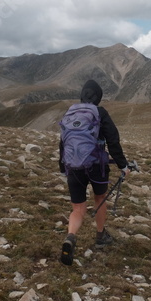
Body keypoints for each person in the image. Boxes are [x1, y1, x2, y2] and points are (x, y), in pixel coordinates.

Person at [59, 79, 130, 266]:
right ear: (98, 97)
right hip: (96, 167)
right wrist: (123, 165)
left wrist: (62, 165)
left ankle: (71, 236)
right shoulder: (100, 113)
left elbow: (64, 141)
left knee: (78, 208)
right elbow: (113, 141)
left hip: (73, 166)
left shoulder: (70, 112)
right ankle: (100, 235)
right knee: (100, 199)